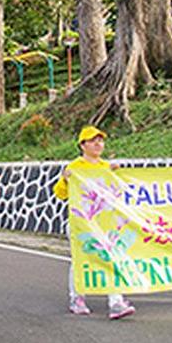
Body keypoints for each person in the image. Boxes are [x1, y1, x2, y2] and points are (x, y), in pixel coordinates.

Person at [53, 126, 136, 320]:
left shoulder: (106, 167)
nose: (98, 144)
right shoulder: (75, 167)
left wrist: (117, 175)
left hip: (105, 224)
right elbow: (60, 194)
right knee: (81, 260)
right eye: (93, 141)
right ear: (82, 145)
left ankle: (116, 302)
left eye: (101, 140)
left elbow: (118, 192)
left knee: (112, 258)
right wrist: (65, 180)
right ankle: (77, 298)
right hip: (81, 223)